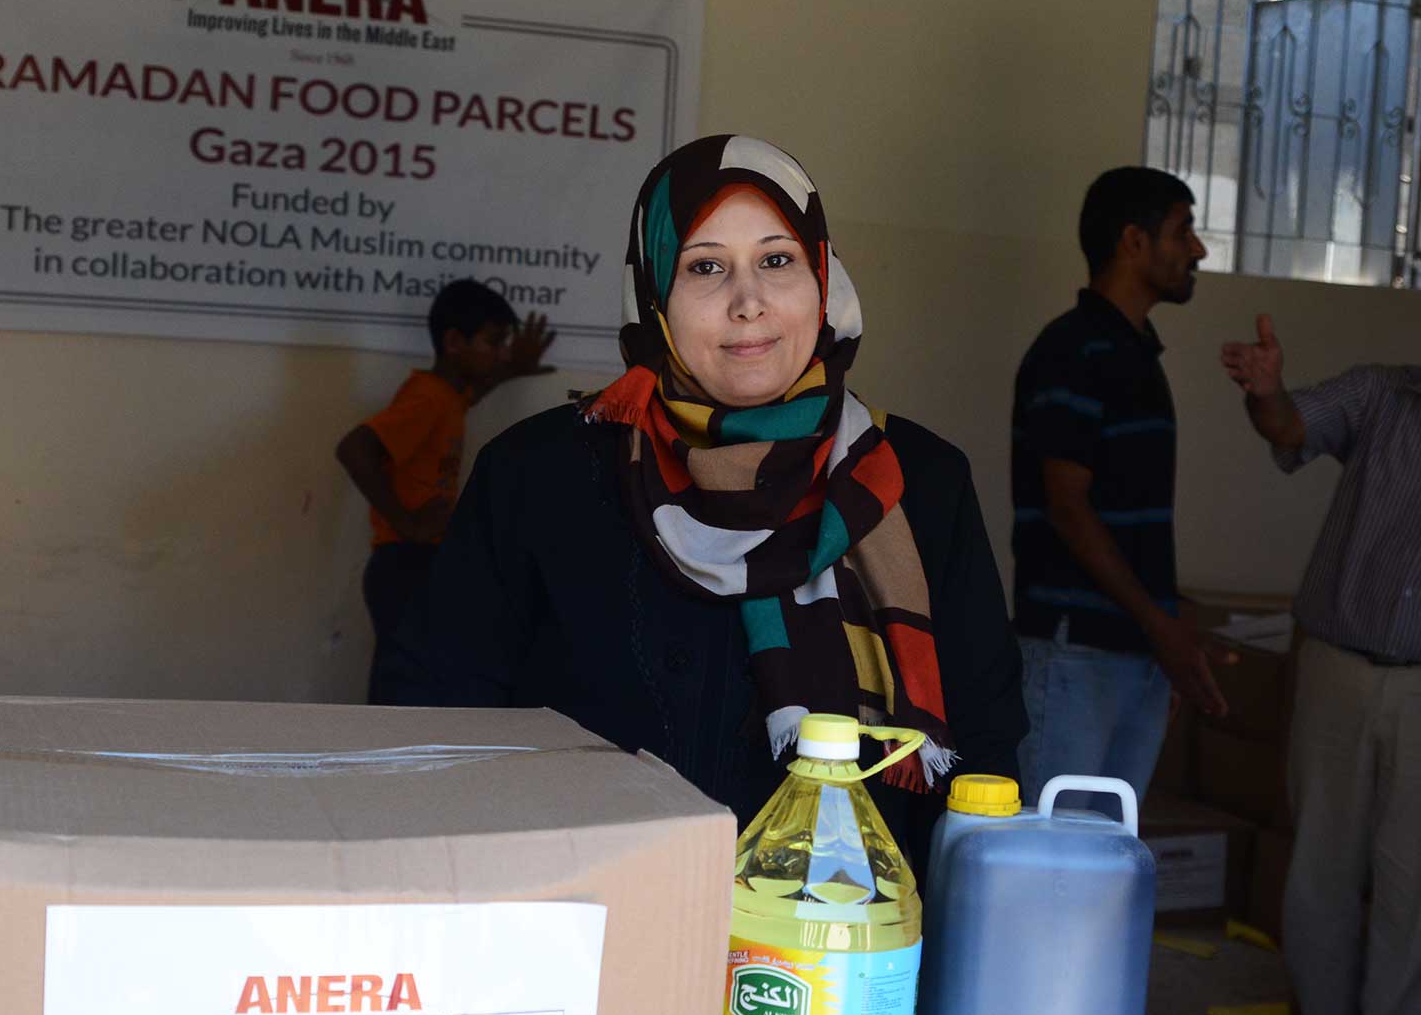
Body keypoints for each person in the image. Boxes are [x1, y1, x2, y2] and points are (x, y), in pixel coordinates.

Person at [383, 135, 1025, 874]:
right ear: (655, 294)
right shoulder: (540, 474)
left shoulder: (918, 481)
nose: (747, 302)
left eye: (777, 260)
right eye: (705, 266)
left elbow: (986, 751)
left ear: (822, 277)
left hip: (835, 957)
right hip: (581, 929)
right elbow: (434, 720)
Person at [1224, 315, 1421, 1015]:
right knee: (1320, 867)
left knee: (1410, 884)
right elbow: (1294, 425)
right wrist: (1267, 391)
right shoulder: (1384, 393)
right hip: (1339, 661)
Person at [1010, 167, 1225, 811]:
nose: (1198, 250)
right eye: (1183, 230)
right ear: (1134, 241)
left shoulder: (1135, 355)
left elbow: (1134, 523)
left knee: (1106, 861)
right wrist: (1161, 624)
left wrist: (1168, 631)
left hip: (1135, 652)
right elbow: (1067, 508)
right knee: (1050, 859)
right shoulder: (1074, 350)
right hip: (1073, 651)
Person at [336, 280, 552, 704]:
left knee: (421, 678)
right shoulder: (428, 398)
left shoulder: (448, 397)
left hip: (419, 561)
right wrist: (406, 522)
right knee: (403, 686)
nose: (502, 351)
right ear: (454, 342)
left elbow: (469, 397)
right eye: (493, 342)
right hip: (403, 562)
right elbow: (354, 449)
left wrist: (512, 368)